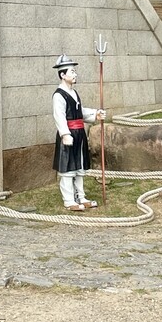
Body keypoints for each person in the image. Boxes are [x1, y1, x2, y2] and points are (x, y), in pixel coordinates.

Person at [51, 55, 106, 211]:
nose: (75, 74)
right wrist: (65, 134)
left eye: (75, 71)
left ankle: (81, 196)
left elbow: (79, 111)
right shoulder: (59, 95)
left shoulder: (74, 93)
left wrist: (95, 114)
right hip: (69, 135)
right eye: (72, 71)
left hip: (79, 134)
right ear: (63, 75)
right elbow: (59, 116)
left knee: (80, 167)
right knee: (68, 169)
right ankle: (69, 200)